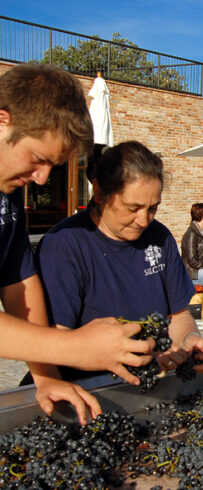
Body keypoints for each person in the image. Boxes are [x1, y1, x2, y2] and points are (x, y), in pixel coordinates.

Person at [0, 63, 154, 424]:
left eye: (52, 166)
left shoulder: (9, 199)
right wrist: (74, 348)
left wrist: (45, 375)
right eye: (38, 160)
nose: (40, 180)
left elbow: (19, 285)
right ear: (2, 119)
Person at [36, 141, 203, 384]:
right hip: (84, 386)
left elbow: (179, 315)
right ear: (99, 193)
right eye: (133, 208)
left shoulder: (159, 237)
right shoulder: (64, 246)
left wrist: (190, 338)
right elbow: (54, 341)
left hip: (148, 383)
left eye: (153, 208)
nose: (143, 220)